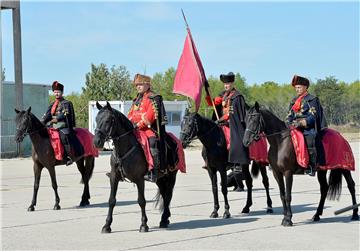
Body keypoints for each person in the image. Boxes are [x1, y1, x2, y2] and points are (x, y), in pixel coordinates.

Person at [205, 72, 250, 175]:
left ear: (232, 84)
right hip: (221, 123)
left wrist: (223, 119)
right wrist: (207, 92)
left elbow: (234, 114)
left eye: (228, 84)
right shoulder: (223, 95)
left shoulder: (237, 96)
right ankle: (209, 160)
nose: (226, 86)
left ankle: (236, 163)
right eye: (225, 84)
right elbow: (212, 102)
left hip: (232, 124)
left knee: (231, 140)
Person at [128, 73, 167, 182]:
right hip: (134, 129)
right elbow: (130, 114)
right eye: (136, 85)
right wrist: (129, 123)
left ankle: (153, 171)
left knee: (152, 142)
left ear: (147, 84)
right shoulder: (136, 100)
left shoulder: (153, 98)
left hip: (148, 129)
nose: (138, 87)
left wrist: (138, 124)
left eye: (140, 84)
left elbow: (149, 117)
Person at [286, 75, 327, 176]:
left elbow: (314, 116)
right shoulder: (294, 101)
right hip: (294, 127)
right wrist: (288, 123)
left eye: (299, 87)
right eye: (296, 88)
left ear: (305, 87)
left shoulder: (312, 99)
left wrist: (301, 123)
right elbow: (289, 115)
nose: (297, 89)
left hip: (308, 128)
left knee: (309, 138)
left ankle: (312, 165)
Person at [42, 81, 78, 165]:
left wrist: (56, 119)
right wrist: (42, 121)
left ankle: (70, 156)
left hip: (63, 125)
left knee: (64, 136)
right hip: (52, 125)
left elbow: (65, 114)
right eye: (55, 92)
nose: (56, 94)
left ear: (62, 92)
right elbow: (48, 115)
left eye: (58, 92)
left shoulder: (66, 103)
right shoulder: (52, 104)